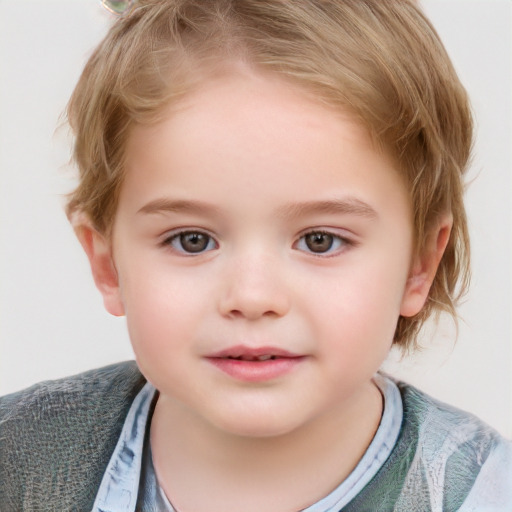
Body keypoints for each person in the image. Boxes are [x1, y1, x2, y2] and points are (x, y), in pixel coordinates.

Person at [1, 0, 511, 510]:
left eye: (320, 240)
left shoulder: (479, 492)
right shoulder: (21, 461)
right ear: (107, 264)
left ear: (420, 265)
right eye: (192, 240)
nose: (252, 296)